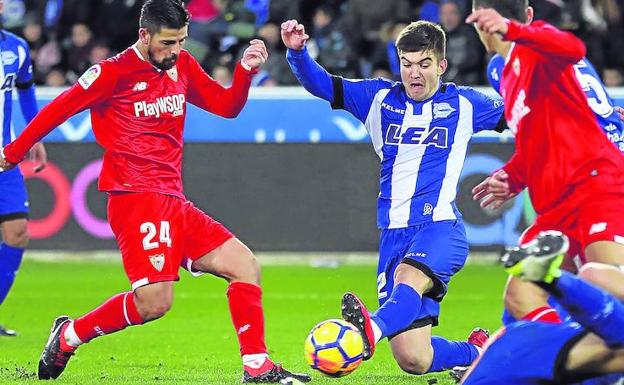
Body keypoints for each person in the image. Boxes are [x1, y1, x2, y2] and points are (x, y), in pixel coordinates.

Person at [0, 1, 309, 383]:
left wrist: (244, 71)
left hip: (173, 199)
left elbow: (227, 107)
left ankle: (258, 367)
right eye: (167, 42)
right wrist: (12, 154)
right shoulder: (111, 73)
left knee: (243, 265)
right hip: (135, 198)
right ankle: (68, 335)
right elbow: (57, 110)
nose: (175, 50)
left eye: (181, 41)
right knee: (154, 304)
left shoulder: (181, 64)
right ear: (144, 35)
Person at [282, 19, 504, 375]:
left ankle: (369, 328)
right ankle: (478, 352)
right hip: (393, 234)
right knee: (414, 359)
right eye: (406, 63)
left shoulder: (465, 104)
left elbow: (527, 115)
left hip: (440, 227)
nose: (414, 73)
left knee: (408, 275)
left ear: (441, 66)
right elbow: (323, 85)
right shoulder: (378, 99)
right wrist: (297, 53)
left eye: (424, 64)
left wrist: (600, 119)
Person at [466, 0, 624, 328]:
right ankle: (561, 362)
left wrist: (514, 31)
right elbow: (536, 142)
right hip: (556, 207)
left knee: (602, 279)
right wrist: (511, 177)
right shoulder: (505, 74)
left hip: (594, 188)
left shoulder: (537, 47)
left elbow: (573, 46)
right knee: (520, 294)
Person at [461, 231, 624, 385]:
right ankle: (550, 277)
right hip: (527, 350)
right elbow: (594, 275)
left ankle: (550, 277)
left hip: (524, 344)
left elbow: (594, 276)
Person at [0, 0, 47, 337]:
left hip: (4, 159)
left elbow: (27, 92)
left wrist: (35, 135)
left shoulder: (16, 48)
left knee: (17, 233)